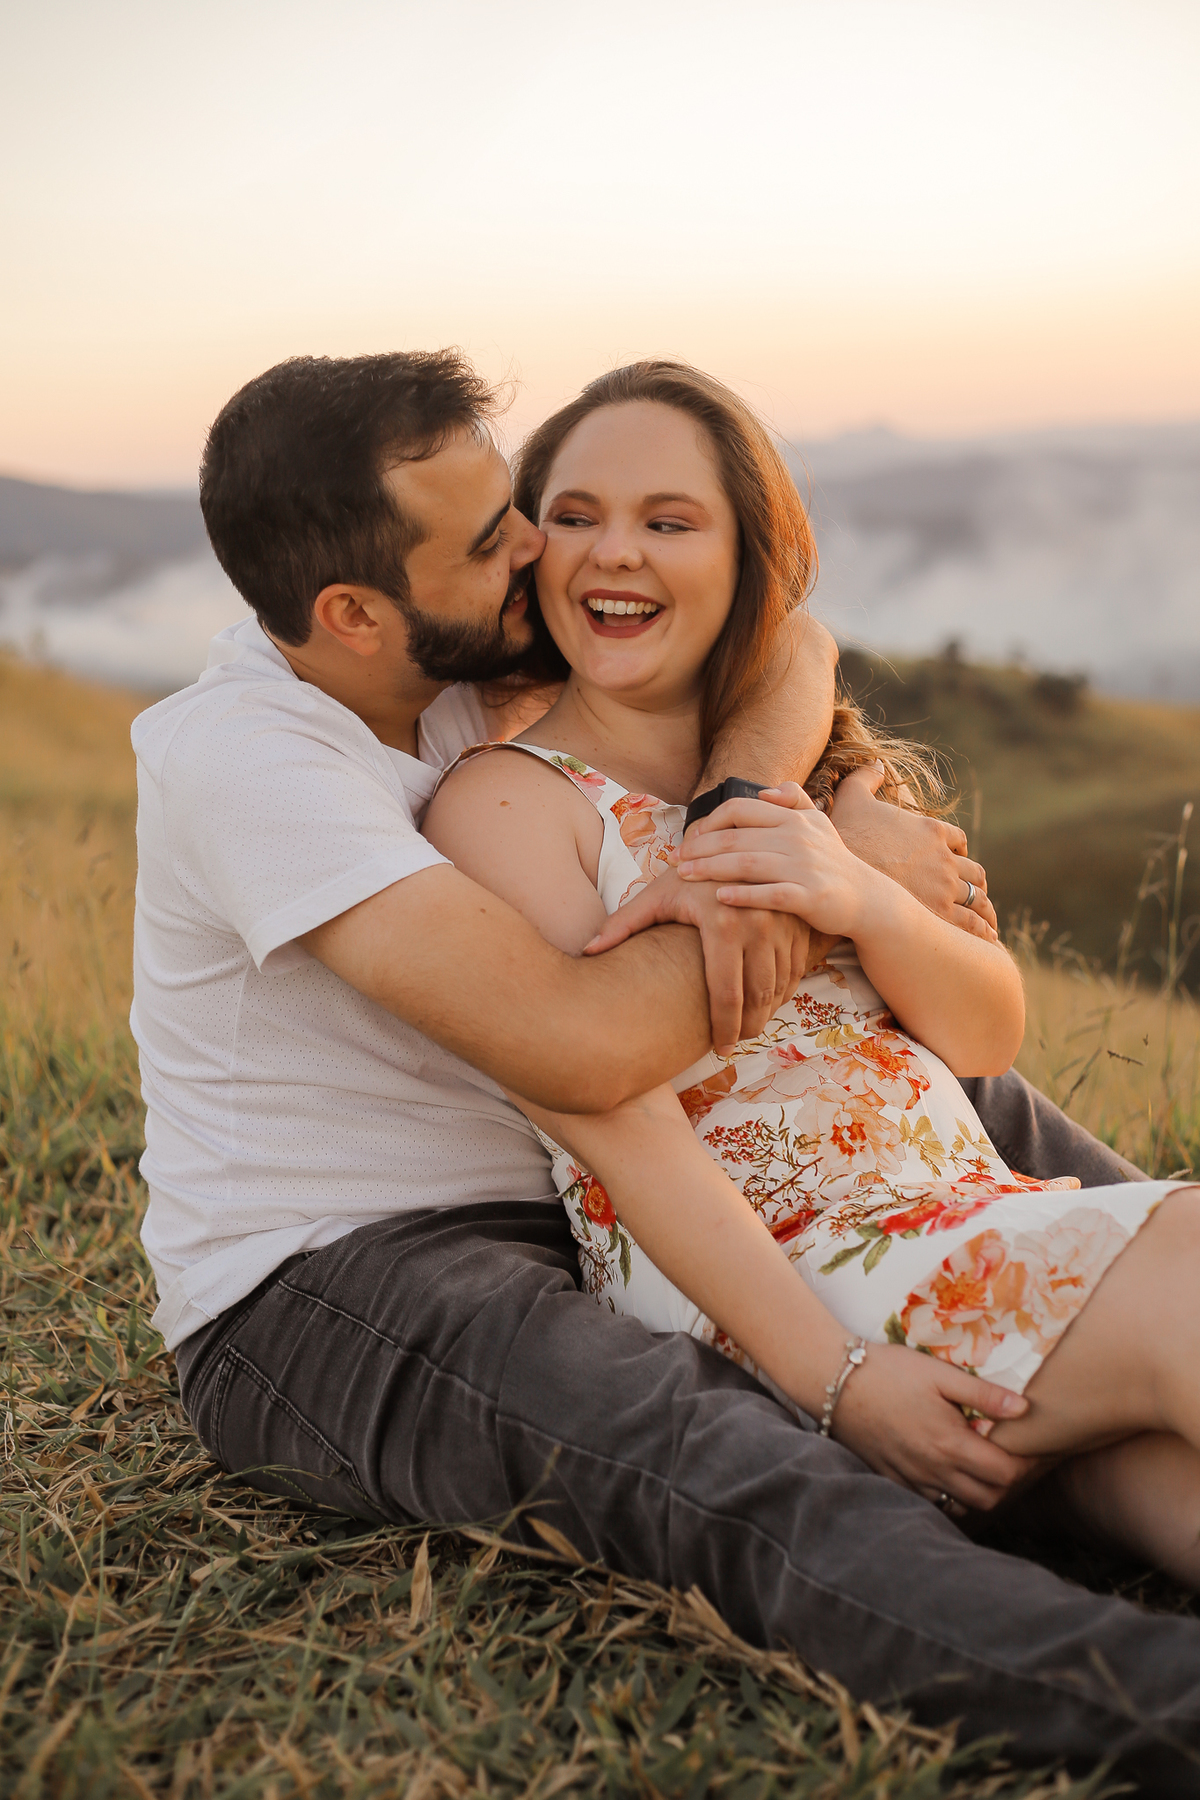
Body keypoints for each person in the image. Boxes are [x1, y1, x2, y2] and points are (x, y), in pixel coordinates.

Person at [131, 351, 1200, 1791]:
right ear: (354, 614)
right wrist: (791, 885)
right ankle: (1151, 1702)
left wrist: (778, 816)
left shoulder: (466, 654)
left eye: (526, 511)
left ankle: (1105, 1351)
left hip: (596, 1182)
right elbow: (581, 1057)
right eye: (500, 536)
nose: (538, 553)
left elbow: (779, 635)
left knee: (966, 1099)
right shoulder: (254, 762)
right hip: (339, 1269)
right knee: (705, 1456)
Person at [423, 359, 1199, 1579]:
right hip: (791, 1275)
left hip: (961, 1218)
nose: (612, 553)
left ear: (745, 564)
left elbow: (988, 1035)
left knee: (1172, 1493)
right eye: (574, 516)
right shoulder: (511, 802)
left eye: (668, 522)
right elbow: (602, 1113)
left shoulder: (820, 791)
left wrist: (854, 893)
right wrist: (838, 1381)